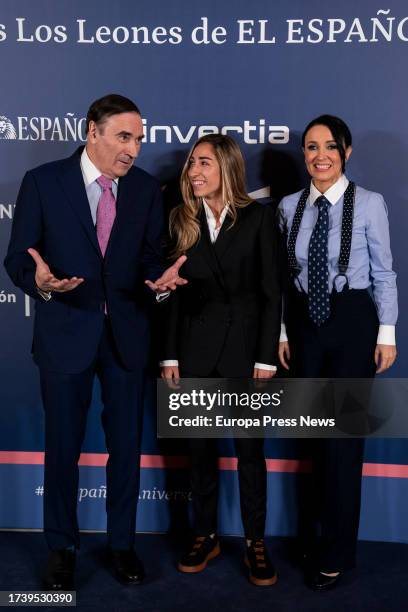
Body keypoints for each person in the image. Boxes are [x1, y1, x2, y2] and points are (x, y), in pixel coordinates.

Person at [4, 94, 186, 590]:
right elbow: (19, 257)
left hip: (126, 338)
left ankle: (122, 544)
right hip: (66, 333)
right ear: (93, 131)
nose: (133, 150)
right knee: (62, 447)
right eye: (124, 137)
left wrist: (158, 280)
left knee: (125, 448)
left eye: (140, 140)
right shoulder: (44, 182)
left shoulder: (147, 189)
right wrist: (41, 282)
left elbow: (150, 257)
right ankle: (61, 547)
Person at [278, 114, 398, 591]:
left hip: (353, 323)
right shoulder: (289, 206)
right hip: (305, 325)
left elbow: (385, 272)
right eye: (311, 147)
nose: (320, 156)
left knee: (344, 441)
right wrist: (283, 332)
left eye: (330, 146)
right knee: (309, 439)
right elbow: (286, 277)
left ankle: (336, 553)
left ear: (346, 152)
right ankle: (310, 537)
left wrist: (385, 332)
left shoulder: (370, 203)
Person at [160, 134, 281, 586]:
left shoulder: (258, 219)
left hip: (245, 357)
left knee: (250, 454)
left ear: (227, 167)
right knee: (199, 454)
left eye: (204, 163)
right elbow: (172, 294)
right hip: (194, 353)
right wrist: (170, 353)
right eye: (191, 164)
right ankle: (205, 533)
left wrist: (266, 359)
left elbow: (272, 293)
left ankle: (255, 541)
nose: (194, 172)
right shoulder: (180, 219)